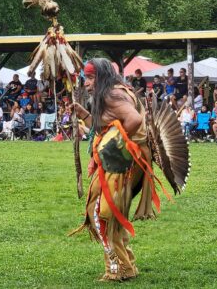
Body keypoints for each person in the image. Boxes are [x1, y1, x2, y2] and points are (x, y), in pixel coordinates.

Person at [70, 58, 164, 281]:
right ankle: (125, 265)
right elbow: (108, 123)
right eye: (86, 78)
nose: (87, 83)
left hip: (123, 161)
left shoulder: (111, 94)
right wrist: (83, 113)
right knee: (105, 210)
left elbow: (134, 120)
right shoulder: (116, 92)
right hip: (124, 160)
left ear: (102, 77)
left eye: (91, 78)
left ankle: (119, 268)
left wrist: (113, 145)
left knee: (102, 213)